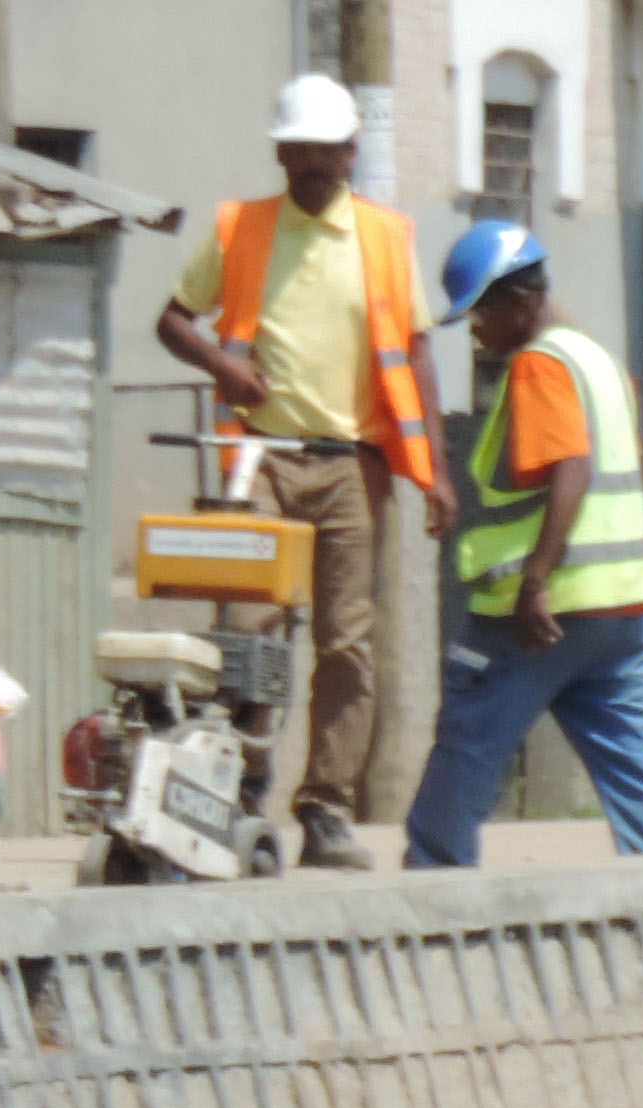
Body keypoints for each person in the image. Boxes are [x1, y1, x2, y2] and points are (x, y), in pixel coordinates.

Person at [155, 76, 448, 868]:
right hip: (261, 457)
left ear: (351, 154)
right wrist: (226, 369)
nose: (315, 165)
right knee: (247, 634)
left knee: (347, 645)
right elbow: (173, 320)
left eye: (328, 152)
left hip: (352, 464)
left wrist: (437, 475)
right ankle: (241, 787)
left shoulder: (385, 238)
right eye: (302, 152)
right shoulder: (240, 229)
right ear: (281, 154)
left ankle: (325, 810)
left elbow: (417, 354)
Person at [402, 225, 643, 871]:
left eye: (480, 310)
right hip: (626, 607)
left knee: (467, 744)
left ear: (520, 303)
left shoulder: (539, 364)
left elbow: (573, 468)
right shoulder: (600, 362)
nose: (475, 328)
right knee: (639, 767)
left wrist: (534, 583)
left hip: (539, 614)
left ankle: (431, 893)